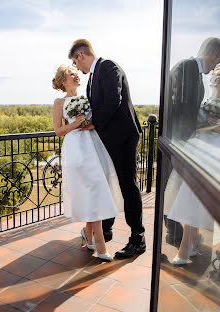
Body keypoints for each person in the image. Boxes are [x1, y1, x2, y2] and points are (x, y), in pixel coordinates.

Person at [68, 39, 145, 258]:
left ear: (81, 55)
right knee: (109, 183)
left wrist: (93, 123)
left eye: (75, 61)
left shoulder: (108, 67)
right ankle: (107, 230)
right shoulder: (93, 77)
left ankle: (138, 239)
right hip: (109, 139)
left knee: (128, 186)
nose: (76, 67)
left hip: (123, 138)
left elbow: (113, 100)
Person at [52, 65, 124, 261]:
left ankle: (87, 232)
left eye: (76, 73)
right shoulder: (60, 102)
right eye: (71, 74)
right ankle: (100, 245)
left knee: (96, 190)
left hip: (93, 146)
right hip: (75, 149)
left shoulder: (87, 98)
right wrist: (76, 123)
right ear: (63, 82)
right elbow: (58, 131)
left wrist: (89, 123)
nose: (76, 75)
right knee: (92, 191)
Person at [165, 38, 220, 265]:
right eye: (217, 59)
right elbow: (179, 106)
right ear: (211, 54)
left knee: (185, 196)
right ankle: (183, 240)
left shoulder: (194, 73)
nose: (216, 64)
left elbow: (189, 108)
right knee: (178, 195)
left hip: (193, 143)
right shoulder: (186, 68)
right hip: (182, 142)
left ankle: (186, 243)